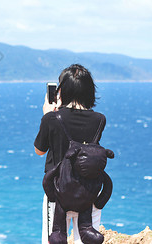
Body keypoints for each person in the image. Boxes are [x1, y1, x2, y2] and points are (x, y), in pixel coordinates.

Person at [34, 64, 106, 244]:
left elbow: (39, 151)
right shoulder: (99, 120)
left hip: (58, 193)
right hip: (89, 192)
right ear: (89, 91)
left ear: (61, 91)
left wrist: (47, 115)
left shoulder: (51, 118)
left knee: (55, 240)